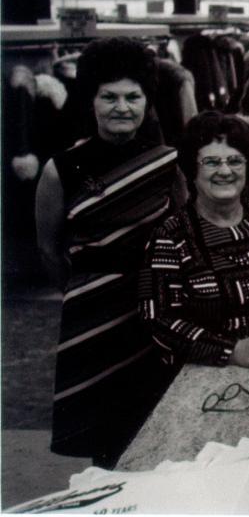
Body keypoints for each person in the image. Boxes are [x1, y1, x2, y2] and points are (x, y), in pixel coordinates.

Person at [34, 37, 181, 466]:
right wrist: (85, 289)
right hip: (91, 317)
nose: (122, 107)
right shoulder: (60, 168)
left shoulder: (168, 162)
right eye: (110, 97)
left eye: (133, 97)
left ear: (146, 101)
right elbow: (47, 249)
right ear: (91, 100)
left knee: (155, 434)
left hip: (156, 313)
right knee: (104, 442)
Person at [140, 112, 249, 370]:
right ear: (192, 170)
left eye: (235, 161)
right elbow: (159, 319)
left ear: (248, 168)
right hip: (203, 376)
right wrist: (230, 352)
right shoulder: (171, 238)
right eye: (211, 162)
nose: (225, 171)